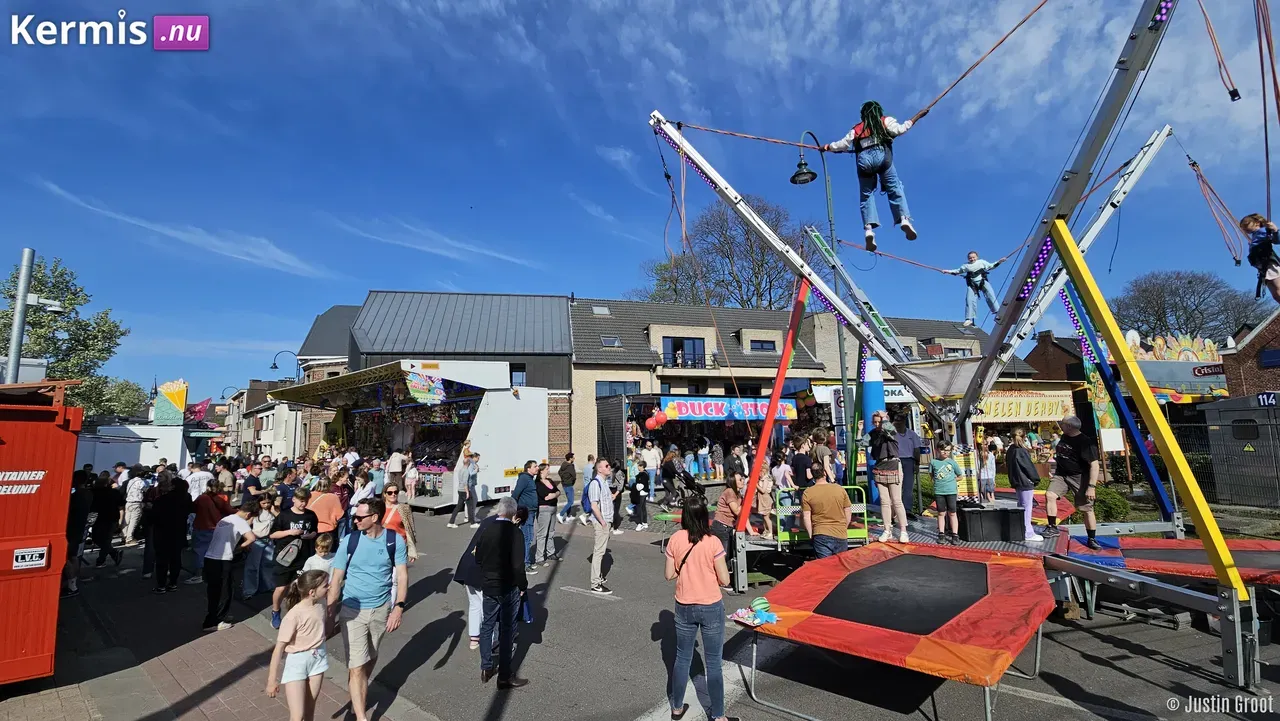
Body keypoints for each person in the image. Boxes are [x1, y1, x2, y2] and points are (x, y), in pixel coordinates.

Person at [328, 497, 408, 721]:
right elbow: (336, 580)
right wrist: (329, 614)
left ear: (374, 517)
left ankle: (357, 693)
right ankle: (361, 716)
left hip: (381, 609)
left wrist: (398, 607)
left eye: (359, 517)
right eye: (354, 516)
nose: (354, 520)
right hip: (352, 611)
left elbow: (402, 576)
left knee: (369, 659)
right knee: (356, 666)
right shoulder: (349, 541)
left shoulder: (394, 541)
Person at [664, 496, 737, 721]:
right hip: (710, 605)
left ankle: (676, 707)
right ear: (706, 516)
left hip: (684, 605)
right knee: (713, 662)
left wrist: (683, 568)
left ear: (684, 515)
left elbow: (669, 575)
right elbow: (724, 580)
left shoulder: (675, 539)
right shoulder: (712, 541)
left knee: (681, 659)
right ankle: (718, 715)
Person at [823, 100, 925, 251]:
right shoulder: (885, 121)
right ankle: (904, 219)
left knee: (866, 195)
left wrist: (827, 147)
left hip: (864, 161)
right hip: (882, 157)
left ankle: (868, 229)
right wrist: (917, 117)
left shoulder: (857, 128)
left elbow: (842, 144)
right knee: (895, 188)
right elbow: (901, 129)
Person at [471, 497, 530, 688]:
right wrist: (522, 586)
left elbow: (478, 557)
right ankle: (504, 675)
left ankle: (486, 666)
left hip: (489, 584)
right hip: (508, 586)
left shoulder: (487, 529)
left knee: (487, 624)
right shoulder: (515, 533)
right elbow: (518, 565)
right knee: (506, 629)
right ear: (513, 513)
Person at [265, 570, 331, 721]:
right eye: (325, 586)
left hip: (318, 659)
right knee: (297, 716)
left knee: (309, 712)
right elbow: (279, 649)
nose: (329, 587)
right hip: (297, 663)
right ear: (312, 592)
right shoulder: (293, 616)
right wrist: (272, 680)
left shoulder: (321, 603)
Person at [1044, 415, 1101, 549]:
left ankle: (1092, 538)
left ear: (1069, 426)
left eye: (1062, 424)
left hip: (1079, 477)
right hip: (1062, 474)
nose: (1060, 426)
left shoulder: (1085, 442)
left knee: (1086, 508)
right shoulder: (1064, 436)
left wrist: (1091, 486)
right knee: (1050, 495)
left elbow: (1095, 465)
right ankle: (1052, 527)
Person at [203, 498, 259, 632]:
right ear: (249, 514)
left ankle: (214, 616)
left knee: (213, 591)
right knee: (225, 591)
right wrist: (241, 547)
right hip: (223, 559)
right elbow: (252, 538)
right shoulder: (241, 522)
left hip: (210, 557)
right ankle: (216, 621)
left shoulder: (226, 519)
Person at [269, 487, 320, 629]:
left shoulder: (311, 515)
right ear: (294, 499)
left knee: (299, 587)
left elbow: (315, 531)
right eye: (301, 501)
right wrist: (289, 532)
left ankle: (296, 614)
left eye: (306, 501)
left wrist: (311, 535)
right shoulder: (284, 515)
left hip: (303, 557)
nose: (304, 504)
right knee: (281, 588)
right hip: (284, 557)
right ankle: (275, 611)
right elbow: (272, 535)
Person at [866, 411, 908, 543]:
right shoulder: (873, 434)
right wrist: (859, 430)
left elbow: (889, 429)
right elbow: (860, 444)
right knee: (884, 501)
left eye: (880, 421)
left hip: (893, 464)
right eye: (875, 422)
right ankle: (887, 530)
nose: (878, 424)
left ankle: (903, 531)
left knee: (896, 500)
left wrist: (884, 417)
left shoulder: (891, 430)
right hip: (880, 466)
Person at [151, 478, 193, 593]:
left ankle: (161, 585)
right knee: (176, 558)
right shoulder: (186, 497)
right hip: (179, 530)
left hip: (163, 532)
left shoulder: (162, 499)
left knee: (162, 559)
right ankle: (173, 583)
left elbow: (154, 517)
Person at [187, 479, 233, 584]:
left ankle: (198, 575)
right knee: (213, 552)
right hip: (215, 528)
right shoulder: (221, 498)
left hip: (201, 527)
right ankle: (212, 573)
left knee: (199, 551)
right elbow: (229, 510)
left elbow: (193, 508)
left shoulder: (202, 498)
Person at [801, 464, 852, 558]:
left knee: (825, 568)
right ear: (825, 473)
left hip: (820, 533)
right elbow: (848, 512)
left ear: (812, 475)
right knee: (841, 567)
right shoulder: (839, 489)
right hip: (840, 532)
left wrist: (811, 535)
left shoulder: (808, 493)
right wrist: (844, 527)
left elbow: (806, 517)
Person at [946, 251, 1007, 327]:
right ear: (968, 259)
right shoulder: (965, 266)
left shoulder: (981, 262)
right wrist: (947, 271)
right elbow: (957, 271)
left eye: (973, 257)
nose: (972, 259)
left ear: (977, 257)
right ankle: (969, 318)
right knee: (969, 299)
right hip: (972, 284)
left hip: (982, 281)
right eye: (970, 258)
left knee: (990, 295)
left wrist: (1000, 261)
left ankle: (997, 311)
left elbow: (991, 266)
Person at [1006, 430, 1044, 543]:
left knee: (1022, 505)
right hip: (1025, 481)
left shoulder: (1011, 450)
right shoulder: (1021, 451)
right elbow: (1028, 467)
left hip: (1017, 481)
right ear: (1024, 437)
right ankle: (1028, 532)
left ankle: (1023, 529)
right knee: (1027, 507)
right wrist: (1035, 479)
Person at [62, 471, 95, 597]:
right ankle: (73, 582)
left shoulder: (76, 496)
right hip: (80, 528)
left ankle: (72, 586)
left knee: (66, 557)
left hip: (71, 528)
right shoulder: (88, 493)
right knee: (74, 556)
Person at [585, 458, 614, 595]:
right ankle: (595, 583)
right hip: (601, 522)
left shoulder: (604, 482)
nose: (609, 467)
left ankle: (599, 578)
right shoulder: (595, 484)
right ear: (599, 469)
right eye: (606, 466)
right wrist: (603, 522)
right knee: (599, 552)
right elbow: (594, 505)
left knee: (601, 552)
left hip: (607, 521)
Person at [244, 493, 280, 601]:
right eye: (263, 503)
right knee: (253, 566)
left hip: (268, 540)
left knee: (268, 564)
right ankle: (249, 590)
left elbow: (282, 519)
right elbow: (246, 525)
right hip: (257, 540)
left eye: (268, 502)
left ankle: (267, 585)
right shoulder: (256, 512)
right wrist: (247, 540)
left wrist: (274, 511)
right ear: (259, 503)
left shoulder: (273, 511)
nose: (266, 505)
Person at [1241, 213, 1280, 303]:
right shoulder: (1254, 237)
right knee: (1275, 295)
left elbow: (1277, 240)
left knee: (1278, 290)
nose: (1245, 229)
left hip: (1270, 264)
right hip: (1263, 268)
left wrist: (1275, 230)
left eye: (1246, 225)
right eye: (1243, 228)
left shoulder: (1263, 231)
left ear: (1257, 223)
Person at [892, 416, 924, 518]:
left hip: (909, 460)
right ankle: (895, 510)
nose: (898, 423)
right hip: (896, 461)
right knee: (895, 486)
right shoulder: (892, 434)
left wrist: (917, 463)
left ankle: (907, 509)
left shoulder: (912, 434)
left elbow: (917, 449)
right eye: (896, 420)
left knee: (908, 487)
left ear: (904, 421)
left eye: (900, 421)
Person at [930, 445, 963, 545]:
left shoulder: (952, 462)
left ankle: (955, 535)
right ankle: (941, 533)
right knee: (941, 513)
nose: (945, 452)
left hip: (951, 491)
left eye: (948, 450)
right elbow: (931, 475)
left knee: (952, 513)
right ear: (938, 450)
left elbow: (960, 476)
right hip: (939, 491)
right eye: (943, 450)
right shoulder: (933, 462)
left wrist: (952, 480)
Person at [89, 473, 124, 567]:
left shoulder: (93, 492)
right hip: (111, 518)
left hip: (99, 518)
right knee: (106, 540)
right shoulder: (115, 492)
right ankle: (112, 554)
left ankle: (101, 560)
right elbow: (121, 507)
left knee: (97, 538)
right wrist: (120, 521)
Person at [381, 483, 419, 566]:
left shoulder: (404, 508)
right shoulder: (379, 508)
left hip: (399, 545)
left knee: (397, 575)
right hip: (382, 545)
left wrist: (411, 550)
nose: (393, 494)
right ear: (384, 494)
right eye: (390, 493)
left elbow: (411, 530)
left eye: (396, 492)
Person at [511, 460, 539, 572]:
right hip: (526, 512)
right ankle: (525, 564)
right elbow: (515, 495)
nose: (537, 468)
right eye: (535, 466)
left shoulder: (530, 479)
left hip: (531, 511)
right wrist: (514, 512)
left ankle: (525, 561)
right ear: (529, 469)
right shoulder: (524, 479)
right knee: (527, 537)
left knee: (528, 537)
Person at [532, 464, 560, 567]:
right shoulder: (538, 483)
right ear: (541, 471)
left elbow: (557, 491)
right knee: (542, 534)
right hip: (544, 509)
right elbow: (545, 496)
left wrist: (554, 494)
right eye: (547, 469)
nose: (549, 471)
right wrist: (553, 494)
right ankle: (539, 557)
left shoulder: (550, 481)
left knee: (551, 532)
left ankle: (551, 553)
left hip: (553, 508)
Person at [448, 451, 478, 529]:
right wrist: (467, 492)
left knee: (458, 506)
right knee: (470, 507)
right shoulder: (466, 471)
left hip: (460, 490)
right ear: (468, 463)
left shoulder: (460, 470)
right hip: (465, 490)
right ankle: (472, 523)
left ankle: (451, 522)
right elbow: (465, 482)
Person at [122, 465, 147, 546]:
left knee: (126, 521)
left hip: (128, 502)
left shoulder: (130, 481)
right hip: (136, 502)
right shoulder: (141, 482)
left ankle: (124, 536)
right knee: (133, 521)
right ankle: (129, 538)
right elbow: (145, 490)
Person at [754, 464, 775, 540]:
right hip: (762, 499)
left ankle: (770, 532)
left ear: (763, 471)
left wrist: (756, 485)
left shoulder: (766, 479)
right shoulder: (762, 479)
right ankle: (766, 531)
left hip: (765, 499)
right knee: (764, 517)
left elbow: (763, 490)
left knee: (766, 517)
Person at [557, 452, 577, 524]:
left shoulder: (563, 464)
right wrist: (570, 481)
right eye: (573, 457)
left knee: (569, 500)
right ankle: (561, 514)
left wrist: (564, 478)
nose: (574, 458)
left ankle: (568, 516)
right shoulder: (570, 466)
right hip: (569, 485)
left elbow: (559, 472)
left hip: (564, 484)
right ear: (570, 458)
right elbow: (574, 476)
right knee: (571, 501)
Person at [631, 461, 650, 532]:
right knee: (643, 508)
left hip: (642, 493)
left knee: (639, 508)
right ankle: (645, 522)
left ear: (642, 466)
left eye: (639, 466)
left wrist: (635, 486)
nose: (638, 467)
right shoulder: (645, 473)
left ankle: (640, 523)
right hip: (644, 492)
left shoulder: (642, 475)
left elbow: (640, 486)